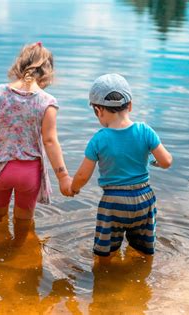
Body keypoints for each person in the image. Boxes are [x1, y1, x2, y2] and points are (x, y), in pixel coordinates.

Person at [0, 42, 72, 220]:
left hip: (0, 169)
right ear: (48, 72)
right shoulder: (47, 102)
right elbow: (50, 141)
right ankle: (25, 246)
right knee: (24, 222)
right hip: (29, 172)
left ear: (19, 66)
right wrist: (63, 176)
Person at [71, 73, 172, 257]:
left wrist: (74, 188)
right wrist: (155, 162)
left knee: (104, 254)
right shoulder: (145, 131)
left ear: (98, 110)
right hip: (144, 199)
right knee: (144, 252)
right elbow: (167, 161)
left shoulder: (99, 139)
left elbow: (82, 176)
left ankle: (105, 279)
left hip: (113, 203)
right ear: (130, 105)